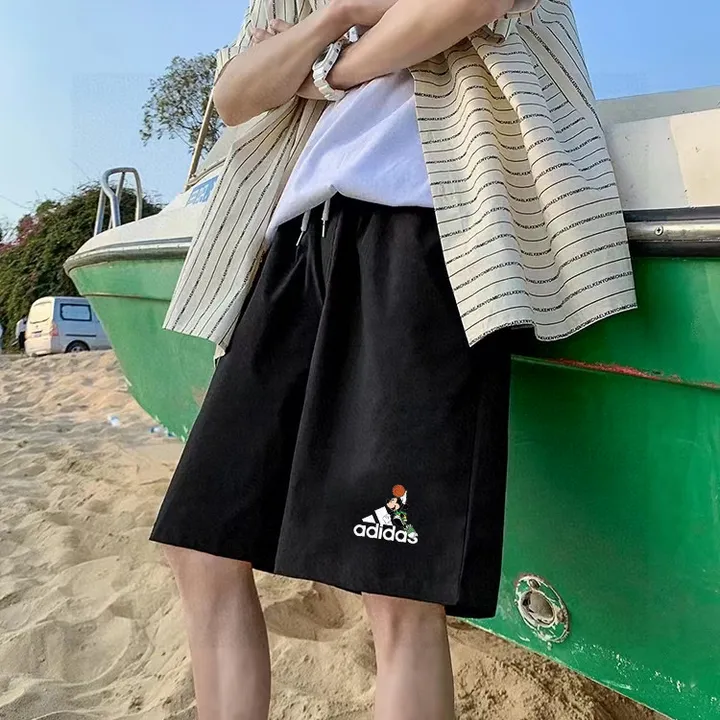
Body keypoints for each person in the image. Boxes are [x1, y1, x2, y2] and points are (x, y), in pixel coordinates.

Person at [151, 1, 636, 718]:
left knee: (396, 584)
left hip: (430, 227)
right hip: (298, 241)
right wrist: (337, 16)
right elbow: (234, 96)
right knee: (201, 544)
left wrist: (324, 64)